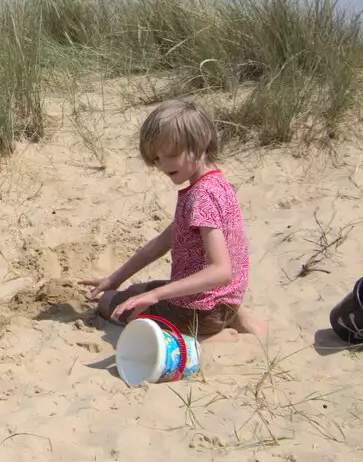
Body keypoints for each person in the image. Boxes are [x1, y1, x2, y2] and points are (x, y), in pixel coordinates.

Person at [81, 99, 265, 342]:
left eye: (171, 155)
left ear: (200, 145)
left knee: (108, 304)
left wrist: (157, 294)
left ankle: (207, 337)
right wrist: (114, 279)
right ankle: (233, 314)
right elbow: (159, 244)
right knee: (134, 292)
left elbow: (221, 271)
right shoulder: (216, 183)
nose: (163, 165)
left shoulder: (201, 197)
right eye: (156, 159)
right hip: (222, 298)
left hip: (200, 311)